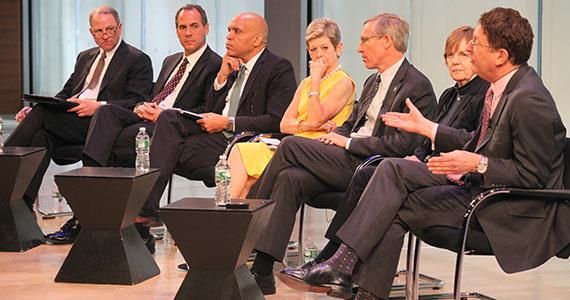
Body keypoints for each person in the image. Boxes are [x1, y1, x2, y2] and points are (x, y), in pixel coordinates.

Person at [287, 7, 569, 300]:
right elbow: (479, 139)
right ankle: (345, 269)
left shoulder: (529, 99)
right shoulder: (503, 87)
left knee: (393, 203)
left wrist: (479, 163)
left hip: (510, 208)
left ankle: (346, 270)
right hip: (477, 185)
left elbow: (533, 175)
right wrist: (430, 129)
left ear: (500, 55)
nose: (470, 48)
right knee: (392, 170)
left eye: (477, 44)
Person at [247, 13, 438, 295]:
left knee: (290, 146)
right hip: (348, 158)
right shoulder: (373, 81)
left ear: (386, 41)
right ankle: (262, 270)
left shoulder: (416, 86)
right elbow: (354, 124)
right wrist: (337, 135)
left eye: (364, 40)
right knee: (290, 177)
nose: (359, 48)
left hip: (372, 168)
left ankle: (244, 226)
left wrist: (347, 143)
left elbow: (402, 146)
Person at [284, 25, 488, 267]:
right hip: (418, 166)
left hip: (450, 175)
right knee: (292, 174)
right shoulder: (449, 95)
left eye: (463, 55)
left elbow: (470, 140)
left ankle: (334, 260)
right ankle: (334, 261)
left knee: (291, 146)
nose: (455, 61)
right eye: (449, 55)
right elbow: (421, 142)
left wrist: (421, 141)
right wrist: (418, 154)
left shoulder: (481, 94)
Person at [43, 4, 221, 250]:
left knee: (118, 142)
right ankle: (90, 200)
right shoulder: (171, 61)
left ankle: (103, 218)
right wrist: (141, 108)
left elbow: (207, 110)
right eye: (182, 27)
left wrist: (163, 114)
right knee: (105, 113)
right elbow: (151, 96)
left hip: (171, 126)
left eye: (194, 26)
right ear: (176, 31)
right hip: (145, 117)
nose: (188, 33)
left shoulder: (215, 65)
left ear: (206, 29)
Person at [140, 12, 297, 225]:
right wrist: (221, 78)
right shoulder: (233, 67)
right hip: (214, 132)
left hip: (240, 140)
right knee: (167, 120)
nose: (229, 36)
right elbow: (211, 108)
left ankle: (146, 211)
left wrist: (228, 122)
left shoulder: (277, 67)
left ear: (257, 40)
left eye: (237, 31)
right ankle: (148, 208)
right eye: (229, 30)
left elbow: (276, 120)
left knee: (162, 149)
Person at [6, 6, 153, 211]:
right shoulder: (85, 57)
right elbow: (66, 92)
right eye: (99, 31)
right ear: (91, 33)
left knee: (40, 113)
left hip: (101, 123)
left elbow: (137, 102)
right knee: (41, 136)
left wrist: (98, 106)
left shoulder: (137, 59)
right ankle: (22, 206)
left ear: (120, 28)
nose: (105, 35)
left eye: (110, 29)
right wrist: (45, 108)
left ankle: (4, 164)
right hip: (72, 118)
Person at [228, 18, 355, 199]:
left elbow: (316, 116)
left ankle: (225, 219)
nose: (319, 55)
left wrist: (316, 82)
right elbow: (284, 125)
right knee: (241, 151)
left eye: (324, 48)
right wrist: (308, 125)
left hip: (316, 151)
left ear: (338, 48)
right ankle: (227, 218)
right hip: (292, 145)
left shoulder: (343, 82)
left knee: (249, 177)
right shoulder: (306, 83)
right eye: (313, 49)